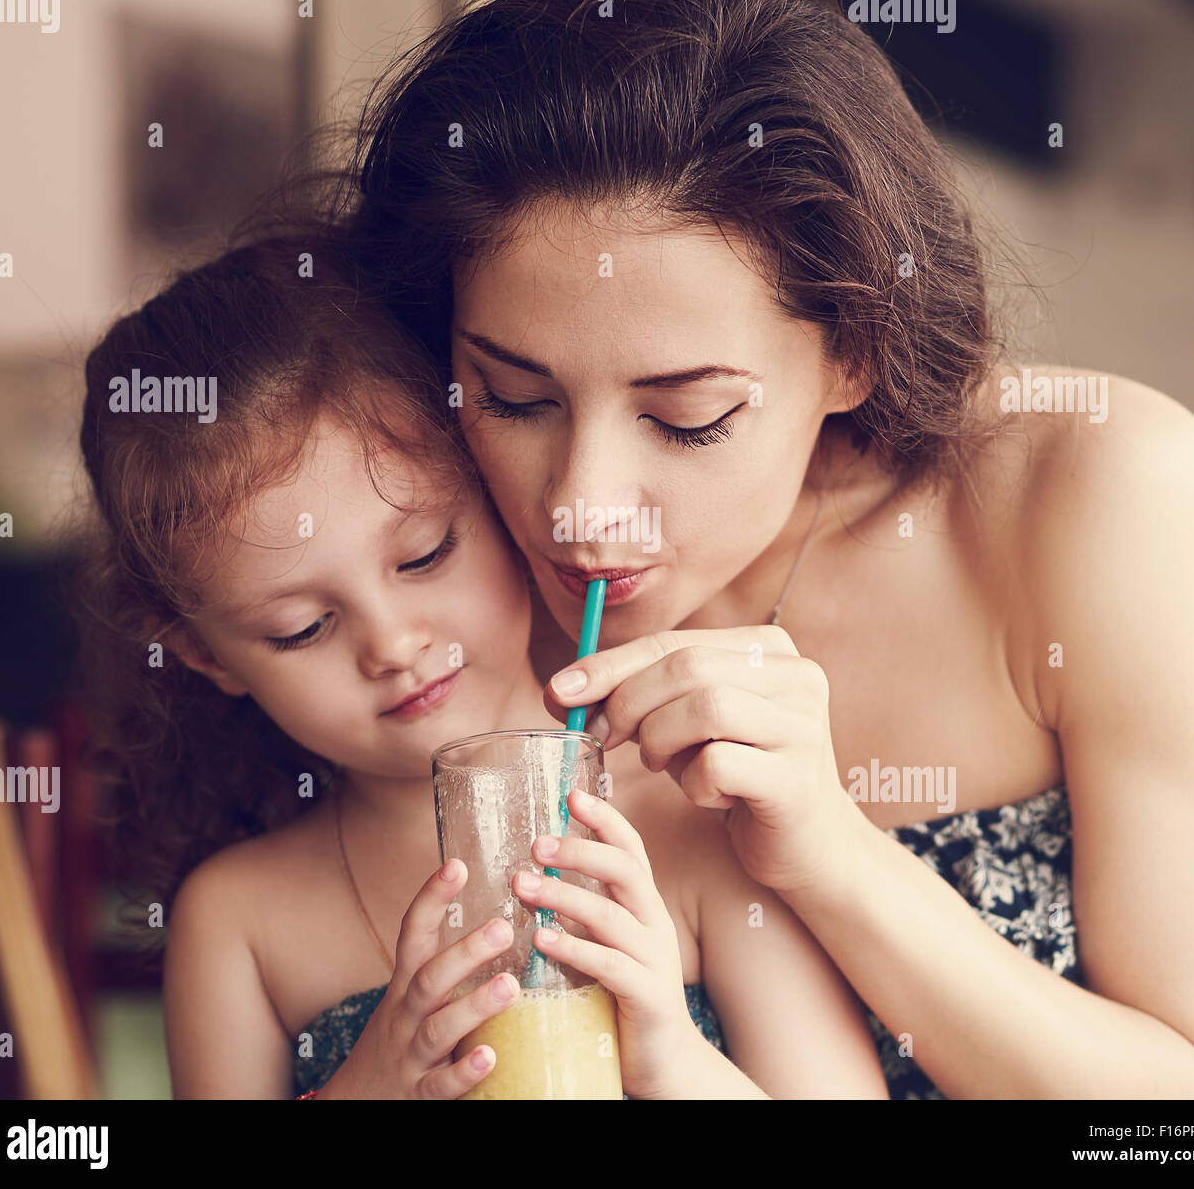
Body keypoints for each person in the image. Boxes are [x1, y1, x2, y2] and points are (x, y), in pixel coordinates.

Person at [351, 0, 1194, 1097]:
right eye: (515, 398)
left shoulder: (1098, 492)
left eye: (689, 416)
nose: (579, 502)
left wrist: (832, 851)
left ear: (853, 348)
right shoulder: (426, 560)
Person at [75, 231, 888, 1099]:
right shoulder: (239, 919)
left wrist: (669, 1054)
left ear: (499, 492)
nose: (392, 644)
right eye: (302, 627)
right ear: (206, 654)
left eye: (425, 556)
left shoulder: (699, 824)